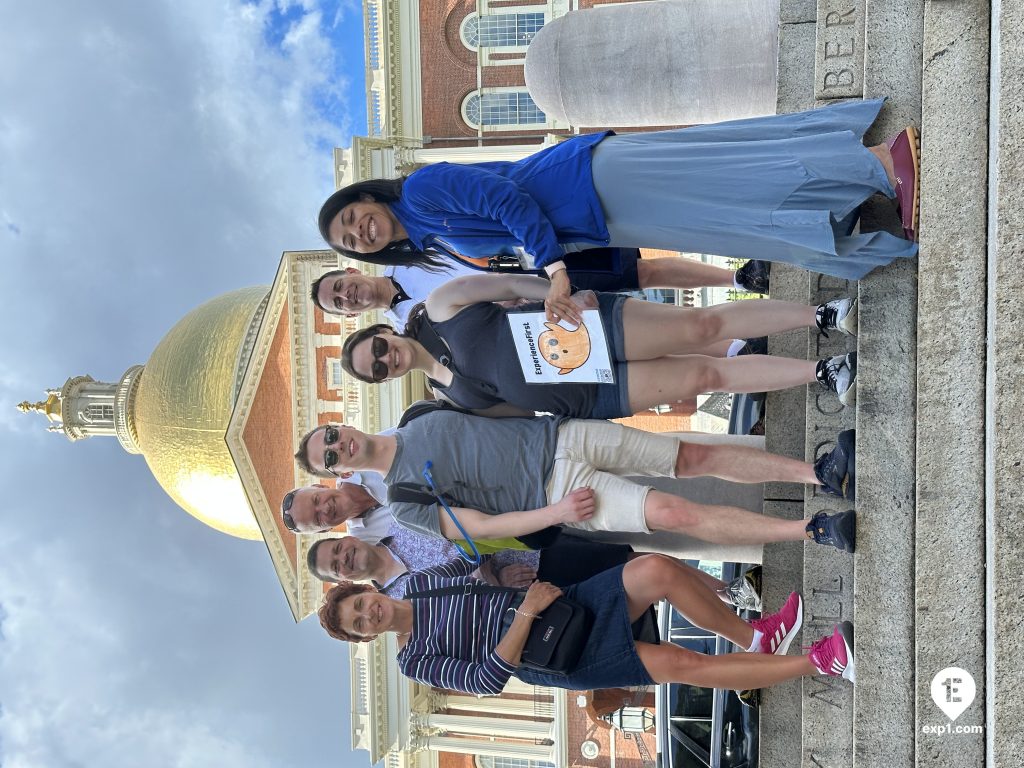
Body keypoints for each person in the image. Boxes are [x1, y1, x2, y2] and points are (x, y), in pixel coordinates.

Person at [316, 98, 917, 323]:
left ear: (366, 197)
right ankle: (842, 203)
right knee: (725, 212)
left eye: (353, 216)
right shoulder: (425, 235)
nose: (360, 230)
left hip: (587, 182)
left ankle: (880, 166)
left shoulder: (420, 194)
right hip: (594, 216)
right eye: (352, 239)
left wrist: (554, 273)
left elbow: (505, 199)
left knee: (726, 178)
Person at [293, 409, 857, 552]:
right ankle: (813, 529)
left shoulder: (418, 415)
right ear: (338, 472)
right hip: (558, 496)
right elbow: (483, 525)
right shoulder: (403, 500)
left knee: (690, 456)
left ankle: (819, 473)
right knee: (672, 515)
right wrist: (555, 515)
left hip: (565, 437)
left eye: (332, 435)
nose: (340, 445)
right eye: (331, 456)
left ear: (341, 425)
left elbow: (497, 412)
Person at [317, 555, 856, 694]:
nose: (369, 614)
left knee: (656, 570)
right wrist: (524, 615)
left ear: (369, 592)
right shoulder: (413, 660)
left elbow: (478, 567)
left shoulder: (422, 584)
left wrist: (505, 569)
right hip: (553, 654)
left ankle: (757, 635)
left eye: (360, 605)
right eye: (359, 624)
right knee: (684, 665)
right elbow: (486, 679)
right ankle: (821, 661)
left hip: (557, 602)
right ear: (365, 637)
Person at [341, 272, 860, 415]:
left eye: (379, 349)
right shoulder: (449, 399)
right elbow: (518, 417)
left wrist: (561, 294)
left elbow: (512, 287)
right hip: (587, 395)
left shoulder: (440, 306)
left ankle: (822, 314)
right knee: (706, 376)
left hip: (580, 328)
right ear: (386, 380)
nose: (388, 358)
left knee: (701, 327)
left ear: (385, 332)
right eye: (379, 369)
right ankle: (825, 371)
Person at [306, 522, 763, 611]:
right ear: (344, 579)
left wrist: (496, 564)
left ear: (346, 539)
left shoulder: (399, 526)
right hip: (532, 600)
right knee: (639, 593)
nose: (343, 558)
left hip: (535, 554)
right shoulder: (395, 600)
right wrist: (494, 582)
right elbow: (460, 610)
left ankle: (732, 596)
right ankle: (730, 611)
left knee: (640, 560)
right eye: (337, 567)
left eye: (337, 550)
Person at [310, 256, 770, 326]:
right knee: (623, 319)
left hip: (527, 261)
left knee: (636, 272)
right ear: (350, 316)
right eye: (340, 303)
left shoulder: (408, 253)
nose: (347, 296)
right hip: (531, 317)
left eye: (340, 287)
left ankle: (737, 278)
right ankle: (732, 344)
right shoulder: (404, 327)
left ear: (349, 270)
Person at [281, 474, 391, 542]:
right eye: (318, 519)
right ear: (325, 530)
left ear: (320, 486)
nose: (325, 509)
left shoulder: (358, 461)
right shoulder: (363, 542)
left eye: (316, 500)